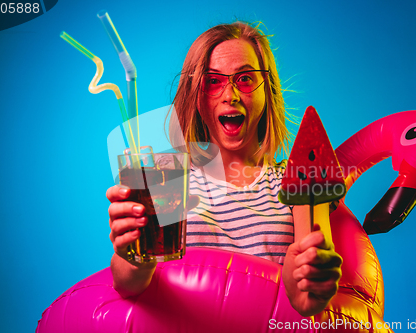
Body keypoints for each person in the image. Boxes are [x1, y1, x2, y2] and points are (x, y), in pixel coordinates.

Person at [106, 21, 342, 317]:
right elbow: (129, 284)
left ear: (267, 91)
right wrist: (131, 253)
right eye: (213, 81)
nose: (230, 94)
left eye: (245, 78)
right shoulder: (166, 179)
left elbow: (307, 292)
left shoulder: (298, 178)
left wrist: (308, 276)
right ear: (196, 97)